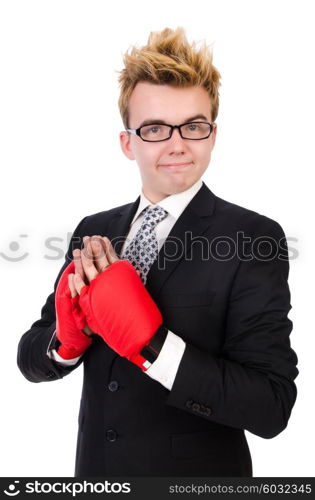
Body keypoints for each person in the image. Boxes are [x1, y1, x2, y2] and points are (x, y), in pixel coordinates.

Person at [17, 27, 298, 477]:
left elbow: (271, 406)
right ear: (128, 142)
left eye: (193, 125)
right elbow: (30, 359)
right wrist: (66, 343)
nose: (177, 144)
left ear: (212, 134)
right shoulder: (94, 231)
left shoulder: (254, 238)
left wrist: (154, 346)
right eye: (154, 128)